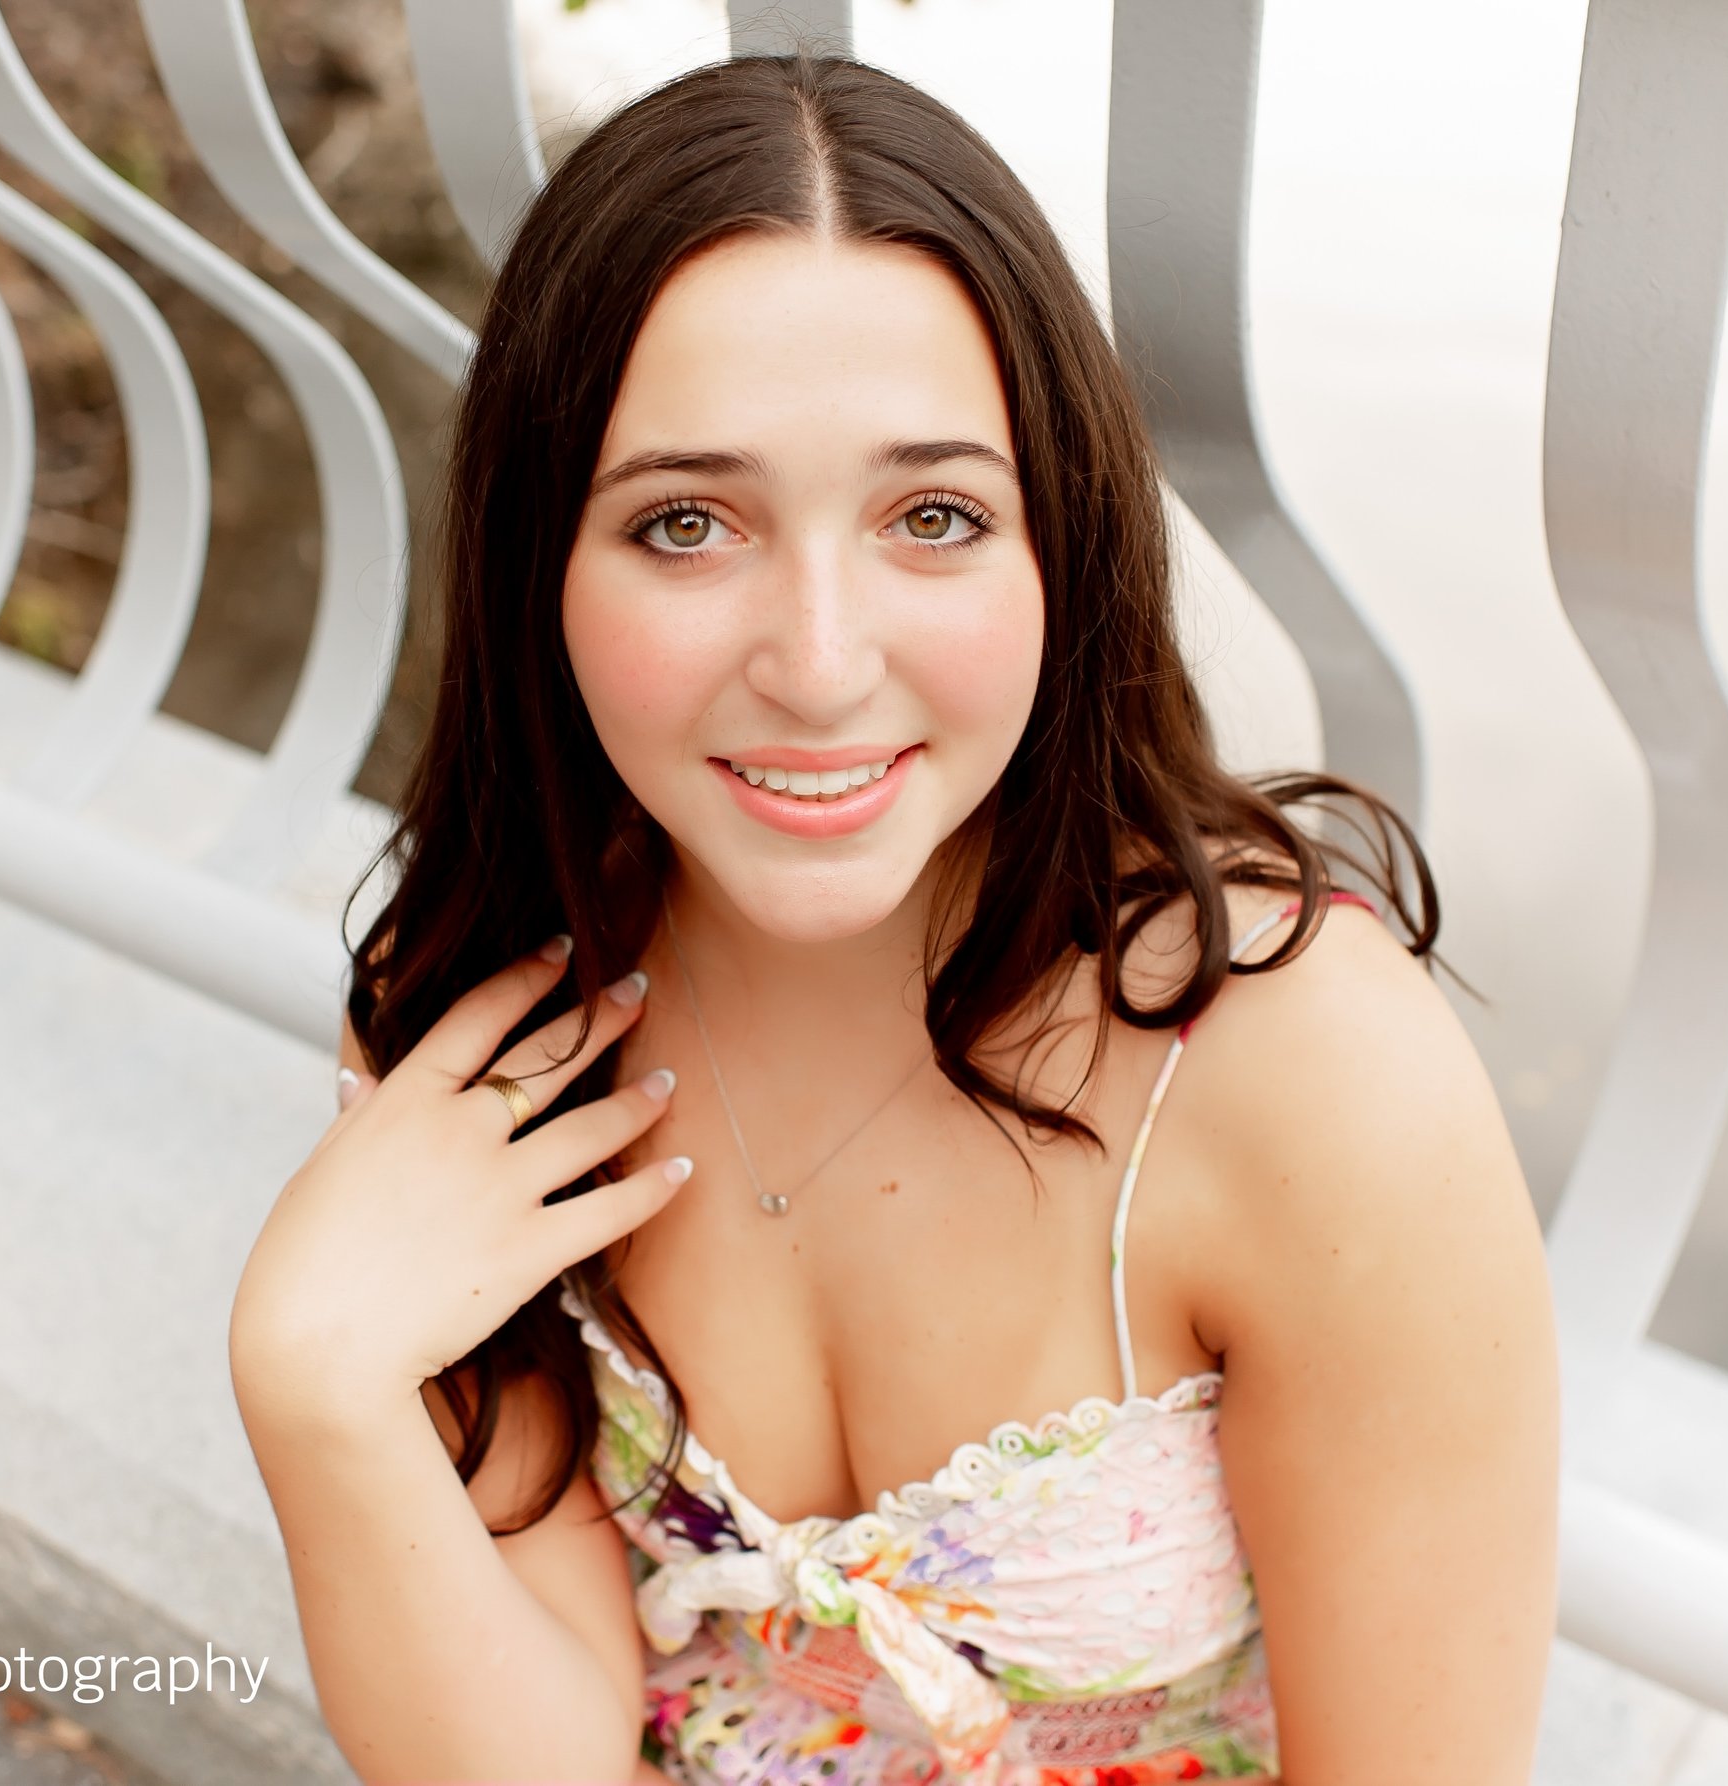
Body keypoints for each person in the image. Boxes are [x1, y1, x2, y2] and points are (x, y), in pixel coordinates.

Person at [227, 51, 1557, 1786]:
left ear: (1059, 548)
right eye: (687, 523)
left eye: (933, 515)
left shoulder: (1297, 1068)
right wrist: (315, 1381)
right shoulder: (486, 1019)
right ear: (537, 558)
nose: (823, 661)